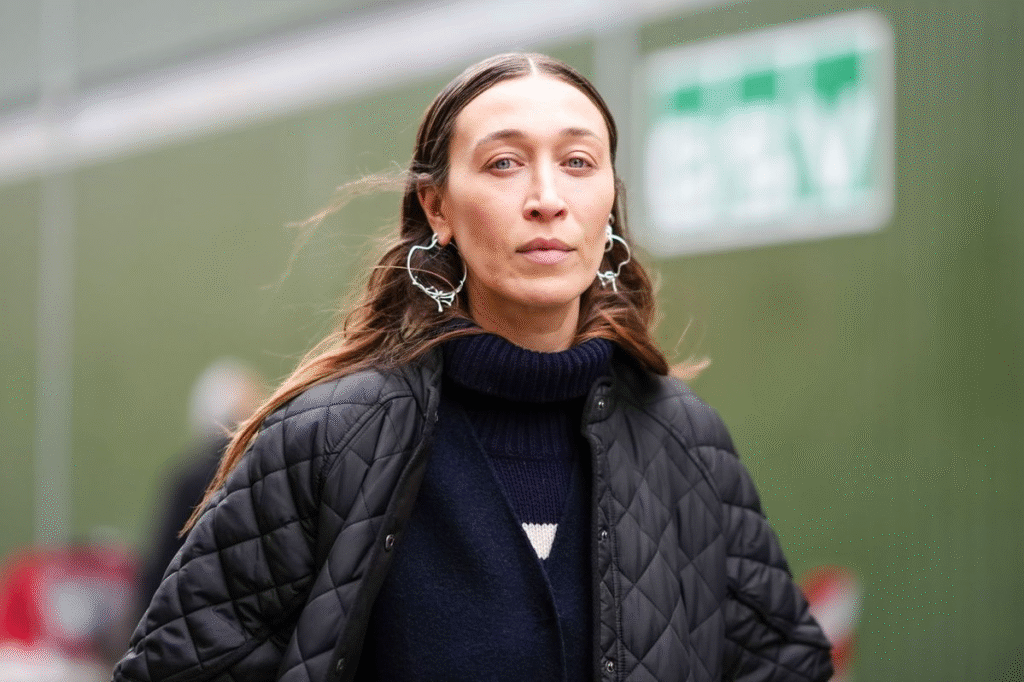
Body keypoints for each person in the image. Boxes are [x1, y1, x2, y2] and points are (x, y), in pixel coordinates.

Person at [112, 53, 832, 682]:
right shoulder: (327, 440)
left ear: (609, 201)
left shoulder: (687, 443)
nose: (547, 200)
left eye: (578, 163)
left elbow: (784, 663)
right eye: (504, 163)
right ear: (438, 208)